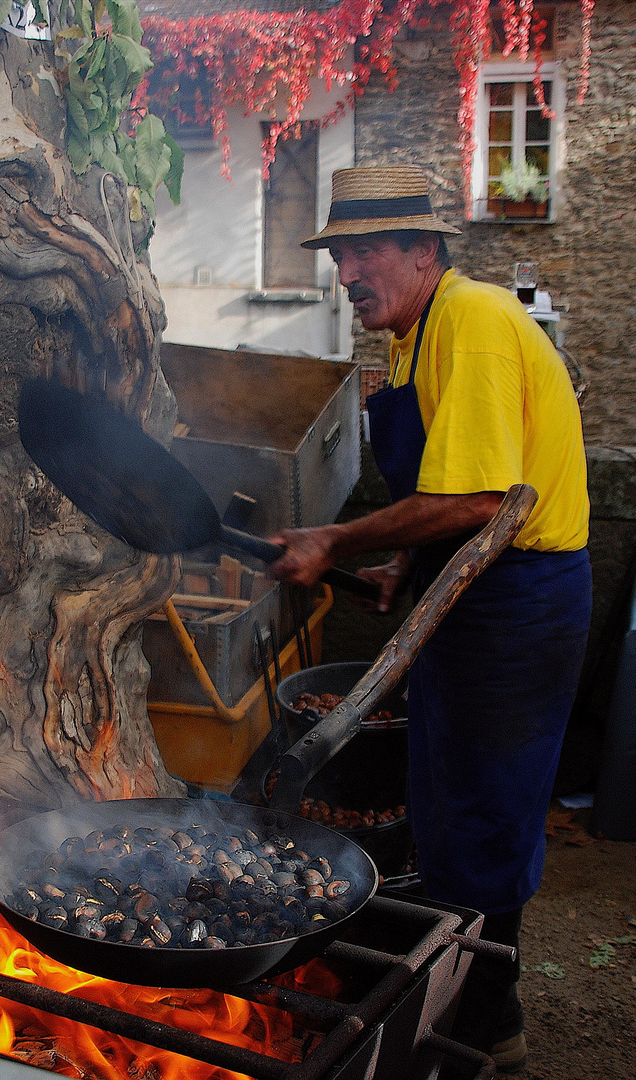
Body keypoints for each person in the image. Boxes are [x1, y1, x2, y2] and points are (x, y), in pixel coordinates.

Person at [269, 165, 591, 1073]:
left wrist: (331, 537)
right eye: (338, 256)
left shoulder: (476, 322)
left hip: (518, 607)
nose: (347, 274)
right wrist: (401, 567)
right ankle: (481, 1013)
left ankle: (478, 1034)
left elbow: (482, 494)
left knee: (484, 821)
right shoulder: (410, 341)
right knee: (446, 814)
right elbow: (443, 494)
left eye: (365, 252)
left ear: (423, 251)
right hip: (466, 590)